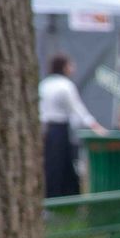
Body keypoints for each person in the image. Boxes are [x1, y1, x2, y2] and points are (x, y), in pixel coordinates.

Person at [39, 54, 104, 197]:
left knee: (53, 164)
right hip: (58, 129)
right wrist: (95, 126)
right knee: (58, 164)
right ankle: (59, 197)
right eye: (70, 65)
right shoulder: (65, 86)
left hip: (46, 129)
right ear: (64, 67)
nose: (73, 68)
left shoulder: (44, 84)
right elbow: (78, 110)